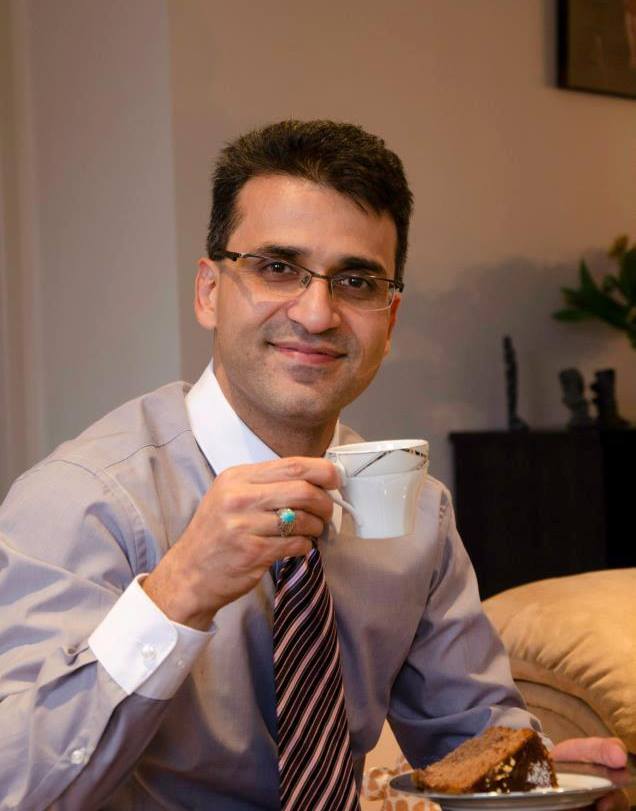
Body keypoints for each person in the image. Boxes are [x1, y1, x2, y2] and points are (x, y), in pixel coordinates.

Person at [0, 120, 627, 811]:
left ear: (389, 320)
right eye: (277, 268)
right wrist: (178, 591)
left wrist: (534, 780)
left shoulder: (415, 511)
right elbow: (17, 785)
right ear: (209, 290)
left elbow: (467, 737)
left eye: (355, 280)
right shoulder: (83, 499)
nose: (318, 311)